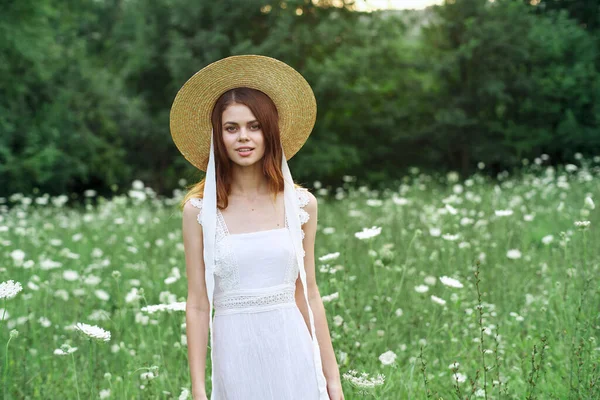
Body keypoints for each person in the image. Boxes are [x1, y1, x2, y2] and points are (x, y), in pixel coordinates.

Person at [170, 55, 344, 400]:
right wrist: (198, 389)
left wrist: (332, 379)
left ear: (269, 131)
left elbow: (308, 293)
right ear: (218, 137)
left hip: (292, 350)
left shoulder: (301, 205)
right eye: (231, 128)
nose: (243, 137)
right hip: (235, 352)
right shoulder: (198, 212)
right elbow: (198, 303)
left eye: (254, 126)